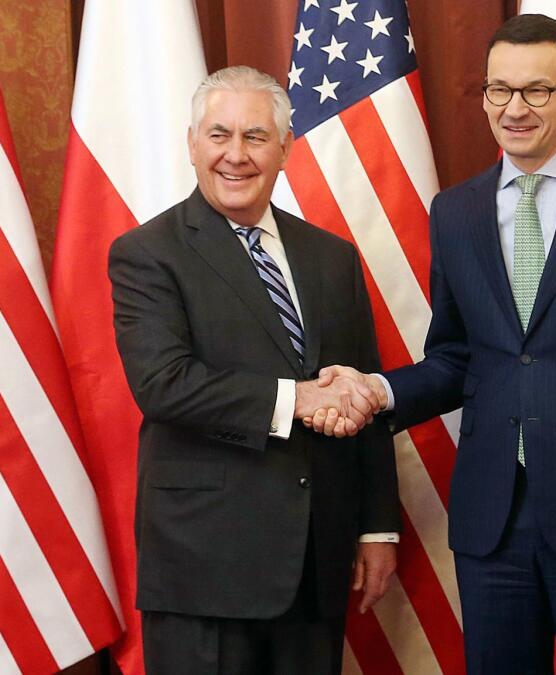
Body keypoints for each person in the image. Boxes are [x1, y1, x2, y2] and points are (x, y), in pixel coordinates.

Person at [308, 14, 556, 674]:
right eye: (499, 90)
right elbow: (456, 358)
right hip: (492, 524)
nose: (514, 108)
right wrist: (376, 389)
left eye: (535, 90)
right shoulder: (457, 212)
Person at [108, 65, 400, 675]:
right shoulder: (147, 253)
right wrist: (294, 400)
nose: (235, 155)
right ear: (192, 144)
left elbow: (364, 389)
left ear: (286, 148)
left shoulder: (331, 258)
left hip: (317, 561)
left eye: (255, 137)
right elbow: (163, 385)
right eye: (219, 136)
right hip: (205, 567)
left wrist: (376, 529)